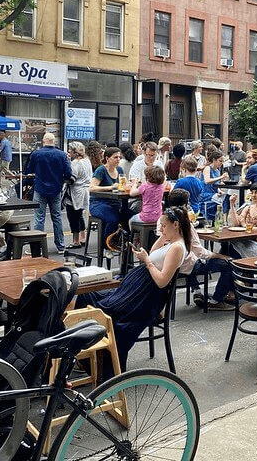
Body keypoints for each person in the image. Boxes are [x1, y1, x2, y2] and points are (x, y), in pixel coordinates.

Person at [76, 205, 189, 365]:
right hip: (135, 291)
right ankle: (86, 354)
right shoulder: (171, 243)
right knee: (87, 296)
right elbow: (152, 253)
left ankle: (88, 357)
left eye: (164, 226)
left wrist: (147, 262)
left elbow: (162, 280)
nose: (161, 229)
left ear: (176, 225)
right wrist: (163, 236)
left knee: (96, 304)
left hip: (143, 297)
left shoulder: (177, 248)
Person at [27, 133, 72, 253]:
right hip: (56, 189)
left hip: (40, 188)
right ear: (54, 141)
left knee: (39, 217)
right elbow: (68, 173)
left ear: (44, 141)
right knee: (57, 217)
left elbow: (29, 170)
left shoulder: (36, 154)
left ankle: (37, 247)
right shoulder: (62, 155)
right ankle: (61, 246)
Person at [89, 146, 126, 247]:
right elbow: (92, 188)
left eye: (119, 157)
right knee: (112, 219)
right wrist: (110, 187)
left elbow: (123, 185)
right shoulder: (101, 170)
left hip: (115, 203)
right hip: (98, 203)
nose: (118, 159)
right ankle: (107, 245)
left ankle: (125, 246)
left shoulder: (120, 170)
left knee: (129, 216)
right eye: (115, 157)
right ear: (107, 158)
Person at [227, 182, 257, 259]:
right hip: (244, 238)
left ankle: (238, 266)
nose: (254, 195)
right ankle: (232, 266)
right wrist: (232, 205)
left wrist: (245, 226)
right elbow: (236, 225)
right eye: (252, 193)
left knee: (232, 245)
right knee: (227, 244)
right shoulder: (247, 208)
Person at [66, 141, 92, 249]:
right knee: (80, 214)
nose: (69, 152)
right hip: (86, 191)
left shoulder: (75, 163)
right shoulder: (87, 161)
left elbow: (71, 179)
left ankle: (76, 241)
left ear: (73, 152)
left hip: (76, 192)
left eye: (70, 151)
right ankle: (83, 237)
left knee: (73, 216)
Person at [200, 149, 227, 220]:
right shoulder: (207, 168)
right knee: (224, 200)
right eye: (220, 161)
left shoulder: (217, 171)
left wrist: (219, 190)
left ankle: (223, 218)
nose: (221, 163)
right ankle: (223, 219)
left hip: (214, 194)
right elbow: (207, 181)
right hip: (206, 194)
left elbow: (215, 185)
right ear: (214, 160)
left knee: (227, 198)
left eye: (222, 161)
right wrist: (220, 177)